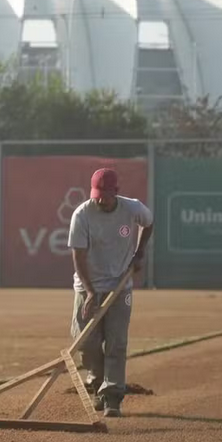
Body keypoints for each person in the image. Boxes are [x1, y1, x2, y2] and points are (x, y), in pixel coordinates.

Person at [67, 168, 154, 418]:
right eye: (97, 195)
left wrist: (140, 252)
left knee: (116, 342)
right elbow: (78, 256)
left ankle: (112, 397)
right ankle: (97, 383)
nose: (101, 200)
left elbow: (148, 223)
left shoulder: (133, 208)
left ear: (116, 192)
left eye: (105, 195)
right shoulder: (82, 214)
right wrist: (91, 292)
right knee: (85, 341)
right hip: (88, 287)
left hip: (120, 287)